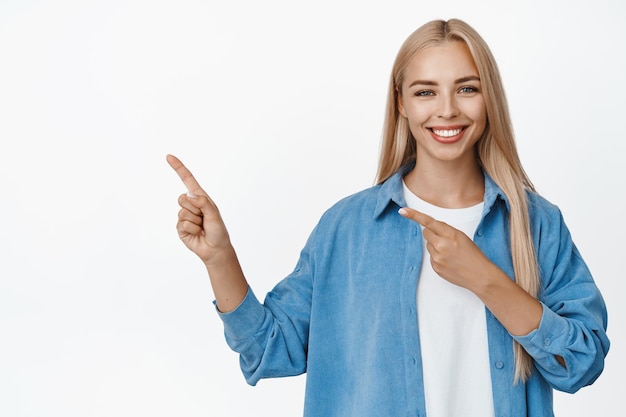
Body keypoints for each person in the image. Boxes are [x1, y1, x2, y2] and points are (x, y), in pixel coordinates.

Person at [167, 18, 609, 417]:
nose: (448, 109)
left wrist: (485, 278)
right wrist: (219, 258)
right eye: (425, 91)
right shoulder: (346, 228)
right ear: (401, 103)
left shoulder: (536, 224)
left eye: (467, 88)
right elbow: (269, 349)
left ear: (489, 98)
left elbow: (583, 364)